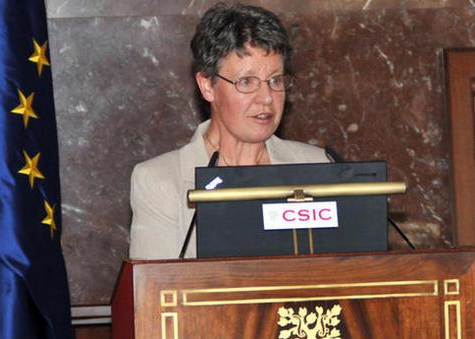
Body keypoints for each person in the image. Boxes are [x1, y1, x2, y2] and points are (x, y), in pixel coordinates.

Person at [129, 3, 329, 260]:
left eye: (275, 80)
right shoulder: (161, 182)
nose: (267, 98)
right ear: (207, 86)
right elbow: (154, 294)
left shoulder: (319, 168)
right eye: (247, 82)